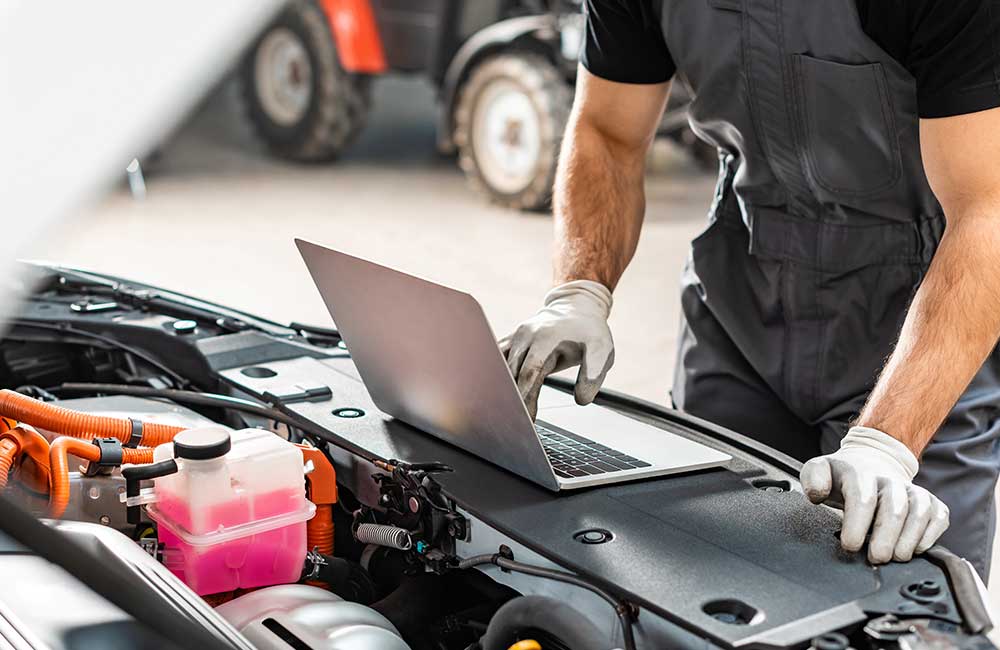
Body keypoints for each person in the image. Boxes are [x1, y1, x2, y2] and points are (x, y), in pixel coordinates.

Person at [500, 0, 1000, 579]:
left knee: (900, 600)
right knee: (694, 577)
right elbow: (608, 132)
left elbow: (985, 210)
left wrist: (888, 443)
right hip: (739, 303)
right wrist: (579, 291)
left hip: (920, 314)